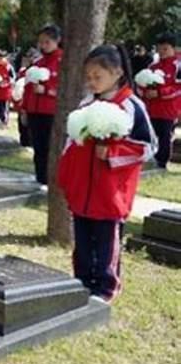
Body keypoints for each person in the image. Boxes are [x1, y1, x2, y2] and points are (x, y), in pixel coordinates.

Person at [57, 45, 156, 303]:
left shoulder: (131, 105)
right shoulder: (86, 104)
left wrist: (113, 153)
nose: (91, 82)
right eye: (88, 77)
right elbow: (71, 143)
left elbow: (149, 147)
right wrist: (66, 176)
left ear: (117, 72)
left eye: (97, 76)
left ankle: (106, 286)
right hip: (82, 189)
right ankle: (82, 282)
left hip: (111, 191)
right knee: (82, 241)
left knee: (106, 241)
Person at [23, 24, 63, 186]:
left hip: (50, 112)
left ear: (57, 41)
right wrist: (24, 109)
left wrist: (46, 91)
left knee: (49, 148)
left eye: (47, 42)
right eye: (41, 42)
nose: (43, 46)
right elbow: (27, 88)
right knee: (37, 147)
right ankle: (40, 177)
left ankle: (49, 180)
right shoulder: (38, 63)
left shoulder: (62, 62)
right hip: (34, 110)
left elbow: (63, 90)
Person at [137, 32, 180, 169]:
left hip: (169, 110)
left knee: (165, 137)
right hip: (152, 109)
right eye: (159, 49)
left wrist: (160, 93)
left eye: (165, 49)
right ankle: (146, 160)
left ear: (174, 48)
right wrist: (145, 93)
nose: (162, 52)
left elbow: (178, 88)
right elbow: (141, 86)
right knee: (148, 134)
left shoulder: (178, 66)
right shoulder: (152, 67)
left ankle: (161, 164)